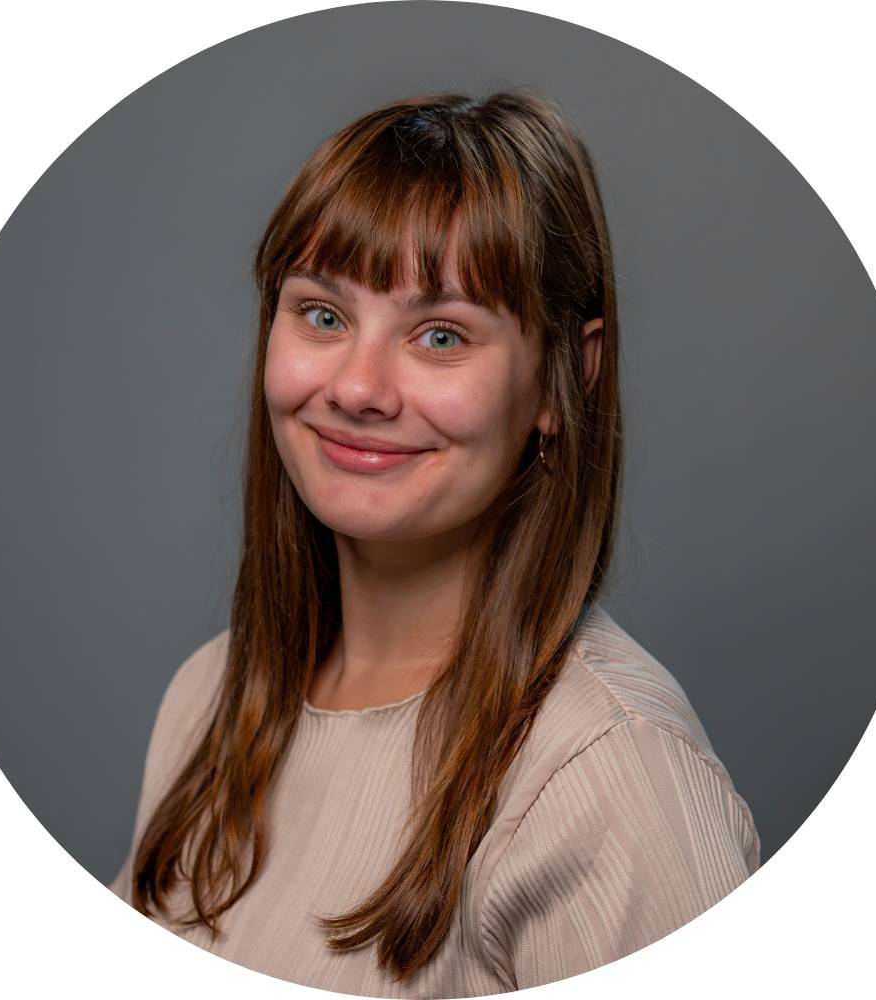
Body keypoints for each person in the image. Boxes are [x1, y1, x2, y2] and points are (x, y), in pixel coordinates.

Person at [108, 89, 760, 997]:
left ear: (564, 378)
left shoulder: (609, 778)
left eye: (441, 334)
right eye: (324, 315)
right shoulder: (209, 700)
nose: (359, 387)